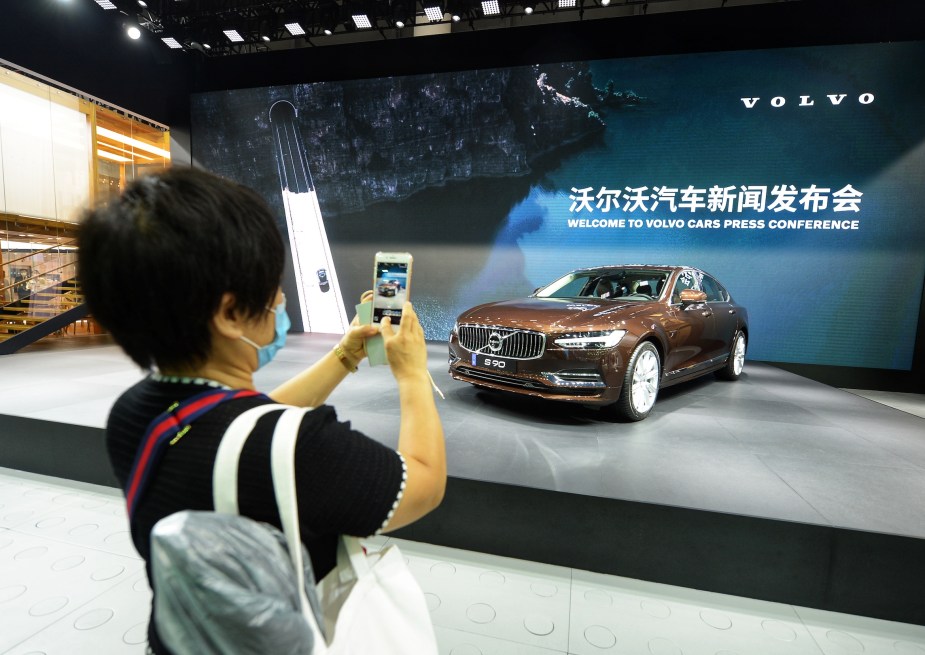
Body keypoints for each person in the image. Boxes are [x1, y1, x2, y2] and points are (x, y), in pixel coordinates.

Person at [77, 166, 446, 654]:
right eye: (270, 287)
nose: (280, 297)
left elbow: (243, 423)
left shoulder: (133, 414)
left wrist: (344, 357)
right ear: (230, 313)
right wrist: (413, 372)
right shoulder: (303, 449)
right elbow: (423, 483)